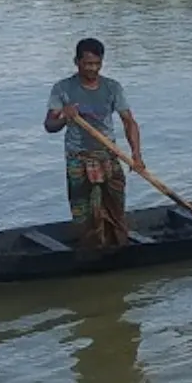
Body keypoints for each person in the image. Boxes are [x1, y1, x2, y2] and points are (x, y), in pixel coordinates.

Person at [44, 37, 143, 249]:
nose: (92, 69)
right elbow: (50, 125)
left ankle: (118, 245)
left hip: (107, 154)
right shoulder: (63, 89)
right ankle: (91, 249)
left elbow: (129, 122)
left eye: (97, 64)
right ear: (77, 62)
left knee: (115, 205)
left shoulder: (112, 87)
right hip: (78, 158)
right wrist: (65, 117)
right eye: (88, 64)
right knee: (83, 212)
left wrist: (136, 156)